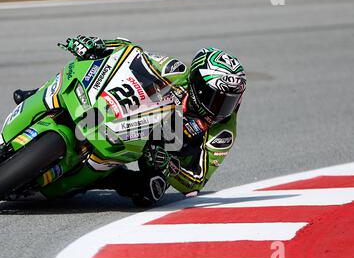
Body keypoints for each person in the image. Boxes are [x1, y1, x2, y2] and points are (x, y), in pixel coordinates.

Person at [13, 35, 247, 206]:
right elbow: (131, 52)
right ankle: (40, 95)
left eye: (229, 100)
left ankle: (99, 178)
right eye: (215, 98)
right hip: (136, 117)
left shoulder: (224, 132)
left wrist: (170, 165)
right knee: (83, 72)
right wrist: (98, 46)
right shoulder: (175, 70)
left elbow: (197, 180)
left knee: (150, 191)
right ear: (196, 81)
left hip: (163, 153)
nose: (221, 108)